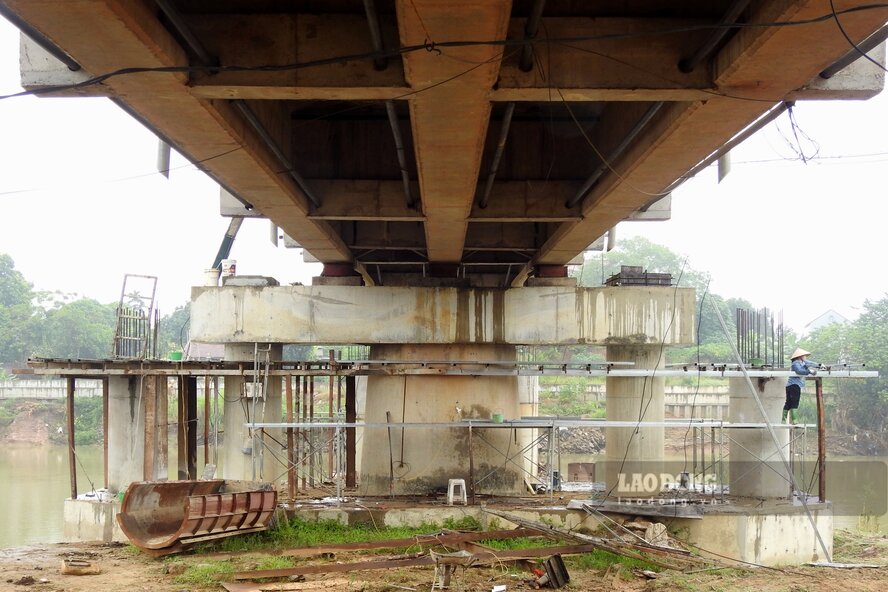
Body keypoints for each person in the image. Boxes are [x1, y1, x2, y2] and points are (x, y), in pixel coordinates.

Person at [783, 348, 821, 423]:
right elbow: (799, 371)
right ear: (800, 356)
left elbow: (811, 363)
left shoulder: (803, 362)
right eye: (804, 356)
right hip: (794, 385)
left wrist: (819, 365)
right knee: (794, 401)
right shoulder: (796, 363)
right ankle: (794, 420)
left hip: (790, 385)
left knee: (788, 402)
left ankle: (783, 419)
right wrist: (809, 371)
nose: (805, 357)